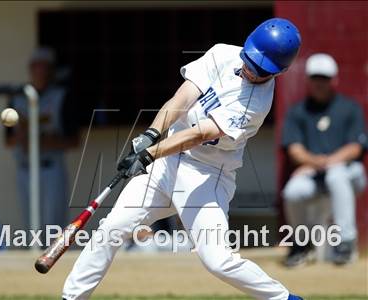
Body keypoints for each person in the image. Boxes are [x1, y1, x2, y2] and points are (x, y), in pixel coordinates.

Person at [62, 18, 303, 300]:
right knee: (112, 229)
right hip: (166, 165)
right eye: (251, 60)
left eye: (262, 69)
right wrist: (151, 134)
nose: (253, 70)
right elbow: (182, 98)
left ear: (278, 72)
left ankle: (284, 298)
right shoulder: (223, 53)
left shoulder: (256, 105)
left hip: (207, 175)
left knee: (218, 261)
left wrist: (150, 153)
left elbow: (199, 134)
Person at [282, 53, 367, 267]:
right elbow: (294, 149)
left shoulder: (349, 107)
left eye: (325, 78)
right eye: (316, 78)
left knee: (336, 176)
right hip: (316, 174)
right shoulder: (298, 111)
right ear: (308, 80)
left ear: (334, 80)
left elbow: (355, 148)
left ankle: (346, 242)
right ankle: (302, 244)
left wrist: (323, 163)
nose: (320, 83)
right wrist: (312, 163)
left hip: (350, 174)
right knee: (292, 190)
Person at [5, 48, 80, 234]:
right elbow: (7, 140)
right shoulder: (18, 96)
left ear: (51, 70)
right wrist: (22, 137)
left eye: (44, 67)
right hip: (25, 168)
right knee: (30, 227)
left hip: (50, 167)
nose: (40, 72)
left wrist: (43, 141)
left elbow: (74, 140)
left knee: (52, 225)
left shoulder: (61, 96)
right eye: (36, 67)